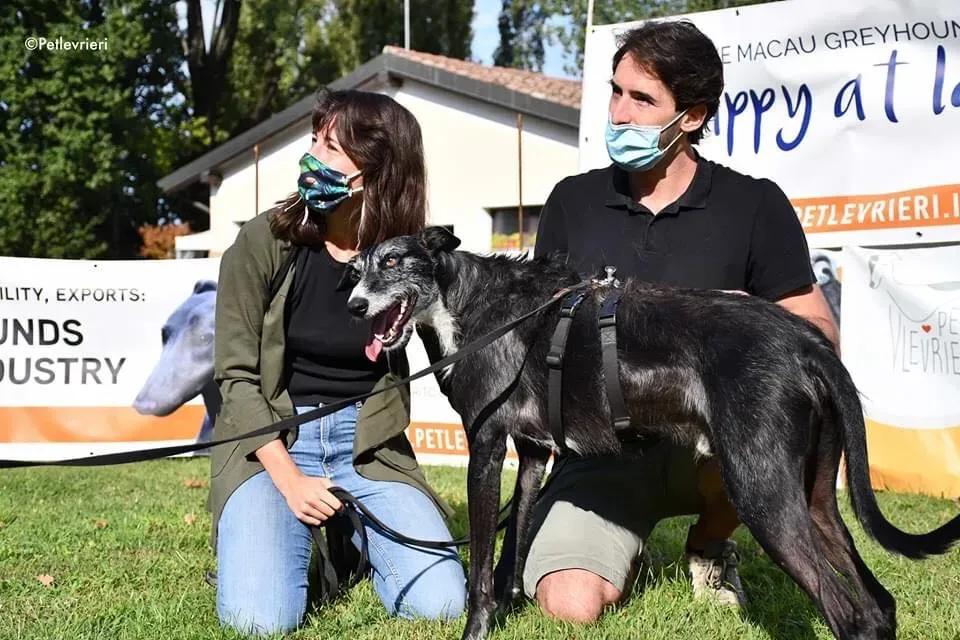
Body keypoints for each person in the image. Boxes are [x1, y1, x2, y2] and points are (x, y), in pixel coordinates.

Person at [523, 19, 840, 623]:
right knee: (568, 607)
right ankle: (618, 544)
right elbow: (542, 339)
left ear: (691, 116)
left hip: (719, 447)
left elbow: (818, 331)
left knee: (760, 434)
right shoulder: (572, 200)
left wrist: (744, 319)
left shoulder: (755, 204)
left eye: (642, 99)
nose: (619, 113)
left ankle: (710, 545)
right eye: (616, 92)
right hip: (605, 448)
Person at [209, 88, 466, 636]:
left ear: (376, 172)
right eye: (315, 143)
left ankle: (352, 532)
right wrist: (291, 481)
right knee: (260, 621)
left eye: (332, 150)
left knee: (440, 606)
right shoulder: (264, 242)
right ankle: (275, 539)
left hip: (368, 445)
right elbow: (235, 378)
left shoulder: (407, 258)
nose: (312, 161)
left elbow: (454, 358)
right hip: (273, 440)